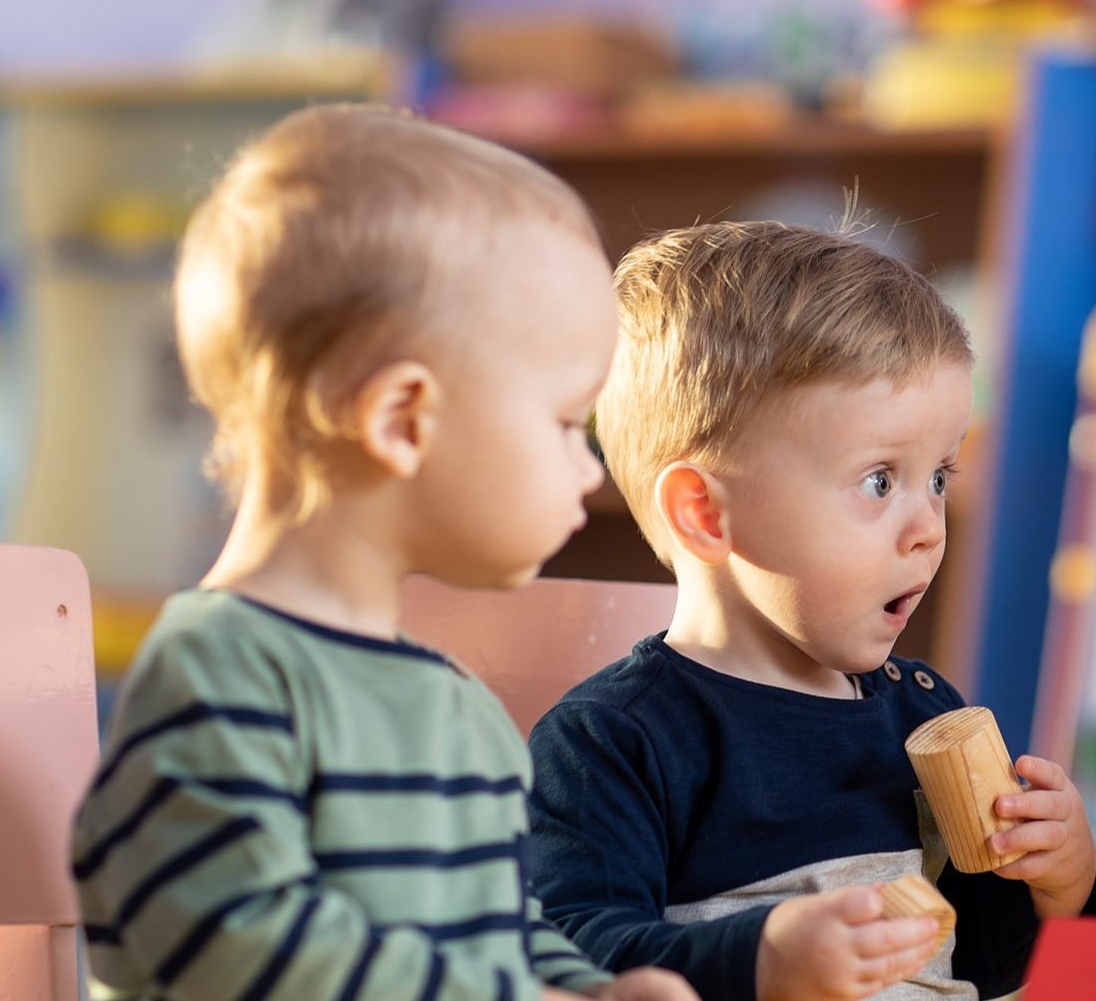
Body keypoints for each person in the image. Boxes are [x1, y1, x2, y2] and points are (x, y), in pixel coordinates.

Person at [70, 105, 696, 1001]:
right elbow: (239, 948)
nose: (590, 470)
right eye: (566, 421)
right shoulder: (222, 671)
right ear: (402, 419)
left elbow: (500, 933)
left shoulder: (452, 704)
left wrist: (593, 989)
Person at [524, 221, 1096, 1001]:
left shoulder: (920, 711)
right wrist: (764, 959)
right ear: (705, 512)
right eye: (878, 481)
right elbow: (570, 953)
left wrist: (1061, 884)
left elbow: (983, 966)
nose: (929, 525)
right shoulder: (615, 741)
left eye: (937, 476)